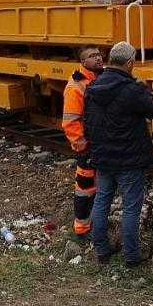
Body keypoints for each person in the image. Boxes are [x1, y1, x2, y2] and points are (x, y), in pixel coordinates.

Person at [83, 41, 153, 266]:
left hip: (103, 157)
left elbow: (88, 122)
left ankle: (102, 250)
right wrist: (144, 88)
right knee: (130, 209)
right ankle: (132, 257)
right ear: (130, 63)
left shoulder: (93, 87)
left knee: (101, 201)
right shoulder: (132, 89)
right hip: (129, 160)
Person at [61, 46, 103, 241]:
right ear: (83, 62)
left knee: (94, 186)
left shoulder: (96, 79)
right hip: (87, 147)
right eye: (92, 56)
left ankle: (91, 222)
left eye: (99, 55)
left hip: (95, 144)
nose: (98, 58)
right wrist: (82, 146)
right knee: (85, 188)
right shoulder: (76, 86)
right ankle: (81, 228)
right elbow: (70, 121)